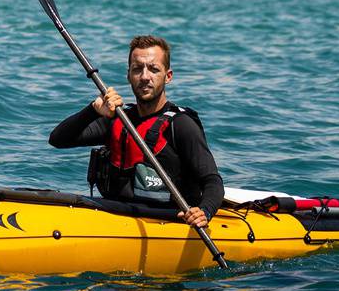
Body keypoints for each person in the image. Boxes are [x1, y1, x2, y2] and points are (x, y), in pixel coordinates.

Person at [48, 35, 223, 229]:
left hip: (168, 218)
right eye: (137, 69)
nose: (145, 76)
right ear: (128, 74)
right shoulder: (119, 119)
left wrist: (204, 211)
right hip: (115, 212)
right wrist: (92, 110)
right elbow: (58, 139)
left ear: (168, 76)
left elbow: (212, 181)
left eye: (154, 69)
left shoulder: (181, 125)